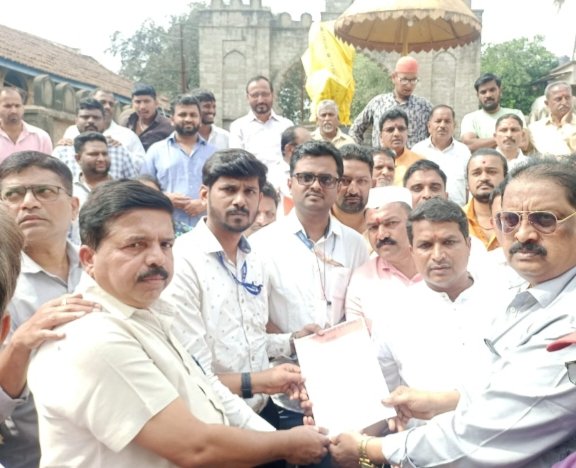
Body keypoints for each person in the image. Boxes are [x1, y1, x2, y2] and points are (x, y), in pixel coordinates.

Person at [27, 179, 330, 467]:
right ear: (88, 259)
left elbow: (209, 392)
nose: (156, 258)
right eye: (136, 245)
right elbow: (194, 447)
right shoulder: (94, 337)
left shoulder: (148, 312)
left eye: (166, 244)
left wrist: (281, 439)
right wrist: (287, 445)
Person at [331, 157, 576, 467]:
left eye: (545, 219)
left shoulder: (554, 313)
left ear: (469, 245)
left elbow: (484, 436)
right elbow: (500, 390)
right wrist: (440, 403)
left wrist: (370, 449)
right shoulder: (526, 297)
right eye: (511, 220)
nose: (523, 234)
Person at [166, 151, 317, 455]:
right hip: (217, 423)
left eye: (250, 191)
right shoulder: (182, 261)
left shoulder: (255, 258)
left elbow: (250, 339)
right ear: (205, 194)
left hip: (264, 411)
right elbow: (195, 375)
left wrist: (293, 341)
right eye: (229, 189)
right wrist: (279, 441)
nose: (240, 200)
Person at [250, 140, 369, 432]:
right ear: (290, 183)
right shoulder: (260, 246)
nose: (316, 185)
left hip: (344, 388)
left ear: (338, 186)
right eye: (306, 177)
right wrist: (294, 341)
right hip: (285, 392)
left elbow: (359, 311)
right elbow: (255, 321)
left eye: (326, 179)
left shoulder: (355, 244)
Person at [0, 151, 93, 468]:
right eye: (13, 194)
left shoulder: (103, 268)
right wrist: (20, 345)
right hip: (32, 457)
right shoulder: (5, 288)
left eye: (44, 191)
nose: (28, 203)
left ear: (74, 207)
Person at [373, 197, 503, 395]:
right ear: (412, 251)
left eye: (448, 242)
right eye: (425, 245)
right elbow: (382, 393)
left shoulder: (504, 297)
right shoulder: (392, 314)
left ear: (468, 245)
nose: (438, 255)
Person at [345, 186, 420, 331]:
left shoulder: (438, 264)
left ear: (412, 223)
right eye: (373, 227)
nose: (381, 235)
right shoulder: (362, 280)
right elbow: (357, 338)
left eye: (391, 223)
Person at [141, 94, 216, 235]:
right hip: (166, 229)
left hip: (206, 229)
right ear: (172, 120)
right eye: (182, 114)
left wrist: (205, 203)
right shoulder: (156, 151)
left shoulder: (214, 153)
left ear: (200, 120)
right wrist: (165, 199)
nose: (188, 119)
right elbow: (143, 189)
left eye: (193, 115)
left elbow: (223, 187)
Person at [350, 56, 432, 148]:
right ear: (394, 78)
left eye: (413, 80)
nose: (409, 85)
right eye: (404, 80)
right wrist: (359, 153)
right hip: (382, 156)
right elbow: (355, 131)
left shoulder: (424, 107)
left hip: (414, 157)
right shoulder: (378, 102)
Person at [229, 76, 294, 188]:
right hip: (251, 186)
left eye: (265, 94)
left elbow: (293, 159)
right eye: (255, 95)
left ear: (272, 95)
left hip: (284, 187)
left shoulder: (287, 125)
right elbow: (237, 161)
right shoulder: (238, 127)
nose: (261, 100)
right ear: (247, 97)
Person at [52, 98, 136, 180]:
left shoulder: (119, 151)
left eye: (96, 117)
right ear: (76, 120)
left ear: (104, 121)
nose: (91, 121)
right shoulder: (62, 152)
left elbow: (133, 185)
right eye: (85, 117)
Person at [62, 89, 145, 170]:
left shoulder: (128, 135)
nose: (107, 107)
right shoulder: (72, 131)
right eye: (102, 102)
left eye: (111, 104)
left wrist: (121, 151)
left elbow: (143, 166)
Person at [411, 104, 470, 205]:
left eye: (447, 121)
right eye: (438, 121)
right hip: (425, 210)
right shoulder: (418, 150)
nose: (442, 125)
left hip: (457, 210)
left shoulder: (464, 151)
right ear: (429, 126)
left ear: (454, 126)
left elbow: (468, 186)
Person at [460, 73, 525, 152]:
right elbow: (469, 145)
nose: (488, 95)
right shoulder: (470, 118)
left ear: (500, 91)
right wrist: (508, 138)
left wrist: (482, 143)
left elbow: (523, 143)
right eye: (483, 92)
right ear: (477, 95)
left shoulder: (516, 114)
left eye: (492, 90)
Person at [464, 148, 508, 250]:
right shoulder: (455, 219)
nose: (484, 178)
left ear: (506, 178)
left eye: (491, 172)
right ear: (467, 181)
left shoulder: (520, 218)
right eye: (476, 173)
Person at [0, 88, 52, 163]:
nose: (13, 111)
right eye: (8, 106)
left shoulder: (41, 138)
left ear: (23, 107)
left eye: (17, 106)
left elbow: (48, 168)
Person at [331, 144, 373, 233]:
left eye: (361, 181)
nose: (353, 191)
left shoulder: (383, 228)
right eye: (345, 180)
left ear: (372, 183)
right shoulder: (313, 226)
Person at [378, 108, 423, 186]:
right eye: (390, 130)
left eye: (401, 129)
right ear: (380, 136)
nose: (396, 134)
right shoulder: (371, 162)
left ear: (407, 132)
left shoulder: (420, 162)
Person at [529, 81, 576, 156]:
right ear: (547, 103)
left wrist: (566, 126)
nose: (564, 102)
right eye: (558, 99)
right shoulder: (535, 129)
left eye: (567, 98)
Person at [125, 84, 173, 151]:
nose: (142, 107)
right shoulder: (127, 122)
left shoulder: (168, 126)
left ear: (156, 103)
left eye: (147, 101)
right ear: (132, 103)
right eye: (138, 102)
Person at [72, 132, 112, 208]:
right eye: (94, 154)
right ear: (78, 158)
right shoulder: (70, 190)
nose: (101, 159)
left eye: (105, 154)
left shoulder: (123, 189)